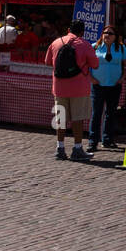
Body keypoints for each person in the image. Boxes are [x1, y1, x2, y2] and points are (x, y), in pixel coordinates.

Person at [45, 20, 97, 161]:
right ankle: (77, 148)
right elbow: (95, 64)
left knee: (60, 119)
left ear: (68, 29)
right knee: (77, 119)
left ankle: (60, 148)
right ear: (83, 32)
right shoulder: (85, 44)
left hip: (59, 87)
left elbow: (47, 62)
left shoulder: (56, 42)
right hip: (79, 88)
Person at [88, 25, 126, 152]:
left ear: (115, 36)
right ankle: (93, 142)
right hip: (98, 86)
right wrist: (91, 78)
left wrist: (122, 78)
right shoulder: (95, 47)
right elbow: (85, 64)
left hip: (114, 86)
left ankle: (108, 140)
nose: (107, 35)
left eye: (110, 33)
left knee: (111, 113)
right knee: (96, 113)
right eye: (105, 33)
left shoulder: (121, 48)